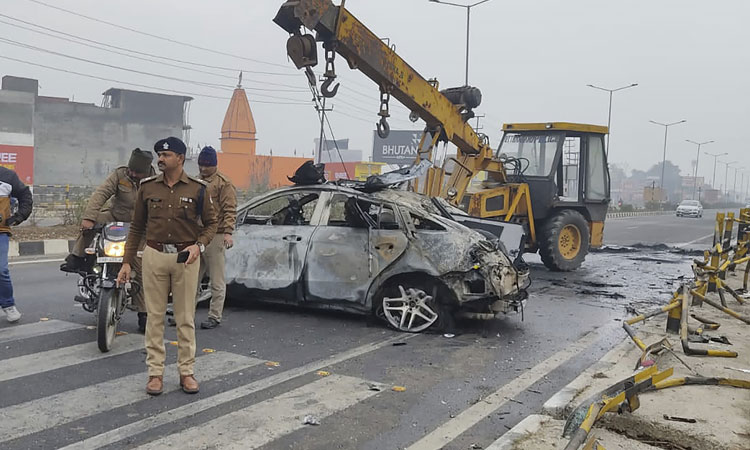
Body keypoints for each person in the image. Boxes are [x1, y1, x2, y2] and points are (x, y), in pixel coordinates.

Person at [116, 136, 217, 396]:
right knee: (154, 318)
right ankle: (155, 374)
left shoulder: (198, 188)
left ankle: (186, 372)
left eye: (167, 155)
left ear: (180, 158)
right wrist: (127, 261)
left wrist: (199, 246)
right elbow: (137, 226)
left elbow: (211, 225)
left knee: (185, 319)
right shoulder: (148, 188)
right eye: (159, 155)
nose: (160, 159)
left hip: (186, 257)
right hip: (154, 255)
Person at [61, 148, 155, 333]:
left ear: (146, 171)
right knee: (90, 224)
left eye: (137, 172)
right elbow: (101, 193)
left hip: (141, 228)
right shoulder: (120, 174)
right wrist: (88, 217)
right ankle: (77, 257)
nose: (132, 174)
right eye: (131, 170)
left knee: (141, 268)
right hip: (115, 217)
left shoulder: (155, 182)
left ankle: (144, 313)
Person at [195, 146, 236, 329]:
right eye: (201, 165)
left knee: (216, 279)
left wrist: (228, 232)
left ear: (214, 165)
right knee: (191, 279)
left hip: (216, 235)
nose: (203, 169)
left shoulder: (223, 183)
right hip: (196, 235)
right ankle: (185, 313)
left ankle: (214, 316)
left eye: (207, 165)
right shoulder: (195, 181)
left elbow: (229, 209)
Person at [0, 167, 33, 323]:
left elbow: (25, 196)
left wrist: (18, 217)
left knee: (1, 270)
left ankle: (8, 305)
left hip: (0, 231)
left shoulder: (7, 176)